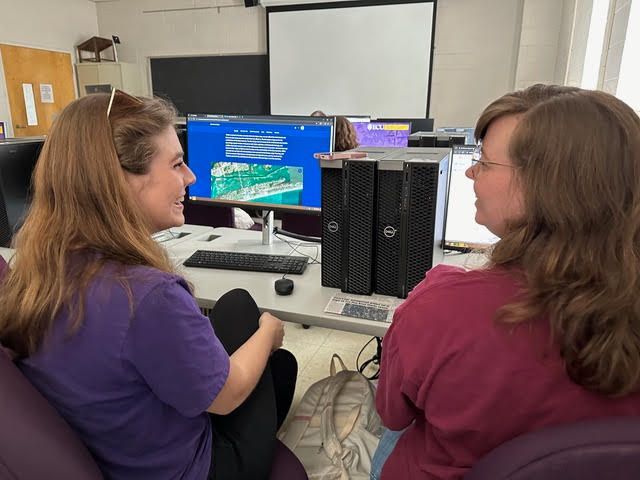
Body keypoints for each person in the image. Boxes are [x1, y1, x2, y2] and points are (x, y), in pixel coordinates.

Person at [0, 90, 297, 480]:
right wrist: (270, 333)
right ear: (119, 180)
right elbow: (227, 398)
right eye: (176, 164)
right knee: (276, 359)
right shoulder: (147, 296)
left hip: (115, 447)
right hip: (191, 469)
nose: (190, 177)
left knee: (236, 307)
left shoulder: (35, 269)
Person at [371, 84, 640, 479]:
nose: (469, 171)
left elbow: (392, 412)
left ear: (545, 187)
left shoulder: (444, 309)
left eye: (484, 161)